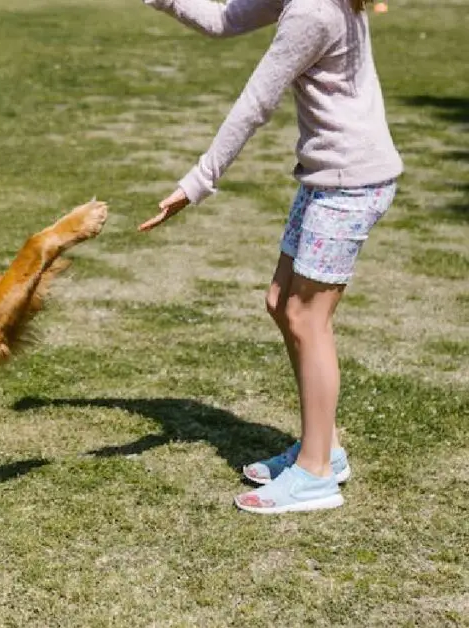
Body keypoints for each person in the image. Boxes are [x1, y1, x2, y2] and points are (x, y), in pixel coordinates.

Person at [136, 0, 402, 514]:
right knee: (282, 301)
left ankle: (316, 475)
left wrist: (198, 181)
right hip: (328, 177)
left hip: (350, 182)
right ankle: (323, 449)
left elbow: (255, 103)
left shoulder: (312, 11)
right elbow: (222, 20)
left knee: (308, 316)